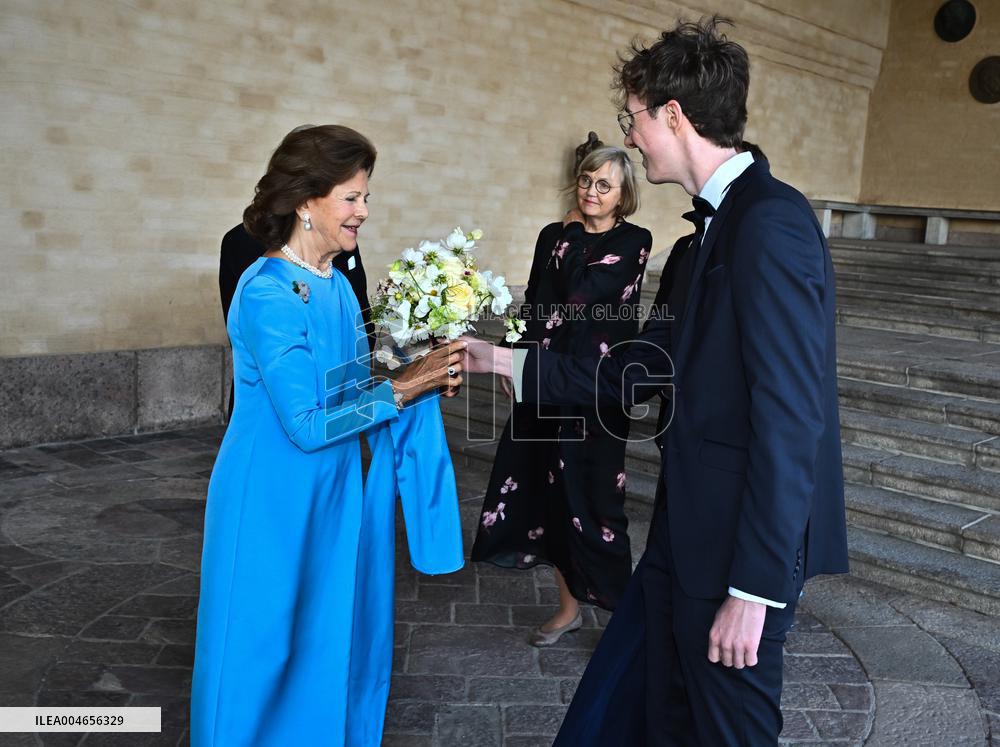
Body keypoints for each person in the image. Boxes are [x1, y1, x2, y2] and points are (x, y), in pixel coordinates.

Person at [463, 17, 847, 745]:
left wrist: (755, 588)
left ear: (673, 114)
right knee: (644, 716)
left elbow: (794, 417)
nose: (630, 137)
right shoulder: (698, 241)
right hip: (682, 536)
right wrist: (503, 360)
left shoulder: (772, 224)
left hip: (735, 554)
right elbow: (637, 369)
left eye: (632, 119)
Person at [191, 125, 467, 746]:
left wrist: (411, 365)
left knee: (322, 635)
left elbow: (344, 387)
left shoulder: (338, 285)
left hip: (334, 489)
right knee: (260, 648)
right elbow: (309, 424)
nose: (363, 212)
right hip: (270, 497)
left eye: (365, 197)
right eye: (351, 198)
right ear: (305, 201)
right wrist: (404, 389)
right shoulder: (265, 293)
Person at [471, 146, 651, 645]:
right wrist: (514, 355)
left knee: (595, 503)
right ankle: (568, 609)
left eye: (603, 185)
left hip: (593, 389)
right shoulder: (552, 235)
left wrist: (572, 232)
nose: (591, 192)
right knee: (548, 494)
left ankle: (624, 622)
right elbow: (535, 300)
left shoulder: (634, 240)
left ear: (623, 195)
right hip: (542, 381)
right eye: (586, 180)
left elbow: (579, 293)